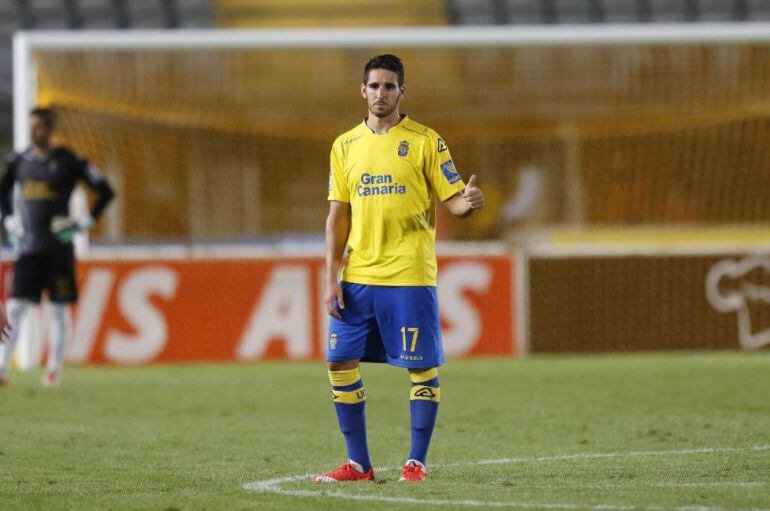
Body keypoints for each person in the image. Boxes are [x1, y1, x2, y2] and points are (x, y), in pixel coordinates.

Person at [314, 54, 484, 483]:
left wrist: (469, 203)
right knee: (339, 362)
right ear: (363, 90)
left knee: (421, 366)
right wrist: (331, 276)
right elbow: (337, 217)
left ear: (401, 92)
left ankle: (416, 462)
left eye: (389, 86)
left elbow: (454, 200)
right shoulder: (345, 145)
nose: (381, 93)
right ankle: (358, 464)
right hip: (357, 276)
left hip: (408, 274)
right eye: (374, 86)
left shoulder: (426, 141)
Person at [0, 107, 114, 387]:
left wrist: (84, 223)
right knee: (15, 308)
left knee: (60, 311)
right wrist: (9, 218)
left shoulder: (69, 161)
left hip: (59, 250)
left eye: (38, 126)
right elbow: (2, 192)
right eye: (31, 126)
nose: (33, 131)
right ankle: (2, 368)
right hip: (28, 248)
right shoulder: (18, 162)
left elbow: (106, 191)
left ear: (51, 128)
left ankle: (53, 370)